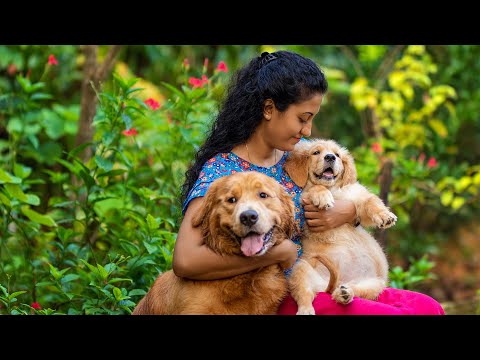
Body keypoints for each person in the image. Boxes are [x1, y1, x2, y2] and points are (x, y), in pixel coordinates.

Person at [173, 50, 445, 315]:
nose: (308, 131)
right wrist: (277, 253)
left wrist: (348, 212)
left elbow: (348, 186)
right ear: (269, 109)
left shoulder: (301, 152)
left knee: (428, 307)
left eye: (311, 119)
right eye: (303, 119)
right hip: (286, 292)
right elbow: (185, 261)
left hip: (337, 280)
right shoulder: (224, 171)